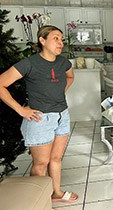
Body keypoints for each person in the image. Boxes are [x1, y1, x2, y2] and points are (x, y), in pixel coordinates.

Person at [0, 25, 78, 203]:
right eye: (55, 38)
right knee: (41, 164)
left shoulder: (63, 62)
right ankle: (36, 201)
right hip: (40, 119)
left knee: (56, 158)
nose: (60, 42)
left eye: (61, 39)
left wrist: (58, 92)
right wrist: (21, 109)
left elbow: (70, 77)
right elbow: (1, 84)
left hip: (61, 116)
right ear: (42, 41)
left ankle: (55, 193)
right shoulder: (29, 63)